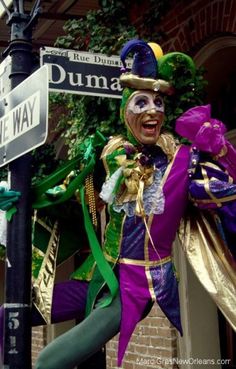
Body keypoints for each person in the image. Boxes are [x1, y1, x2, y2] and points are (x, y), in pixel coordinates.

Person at [0, 39, 236, 369]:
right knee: (7, 317)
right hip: (96, 278)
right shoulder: (113, 154)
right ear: (126, 111)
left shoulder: (184, 163)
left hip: (134, 289)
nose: (152, 110)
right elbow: (70, 196)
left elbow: (225, 197)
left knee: (49, 360)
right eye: (141, 102)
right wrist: (20, 199)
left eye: (158, 103)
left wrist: (223, 153)